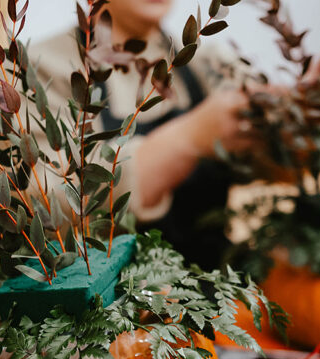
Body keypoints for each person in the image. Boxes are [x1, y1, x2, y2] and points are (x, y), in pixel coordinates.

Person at [30, 0, 258, 270]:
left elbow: (272, 161)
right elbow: (41, 206)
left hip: (218, 295)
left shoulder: (208, 64)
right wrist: (187, 140)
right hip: (102, 303)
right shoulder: (39, 68)